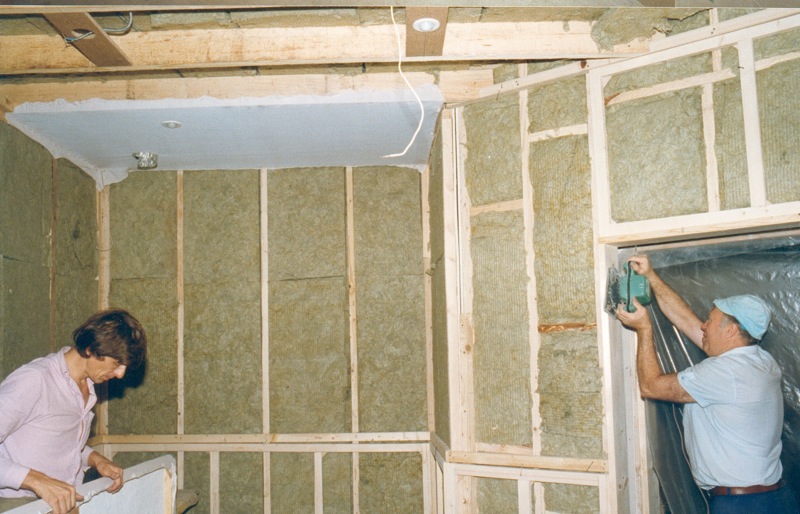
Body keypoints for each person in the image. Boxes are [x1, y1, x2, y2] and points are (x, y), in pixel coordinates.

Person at [615, 255, 798, 514]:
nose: (703, 325)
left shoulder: (726, 372)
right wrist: (651, 277)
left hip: (743, 506)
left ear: (731, 331)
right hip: (772, 498)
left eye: (710, 320)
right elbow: (686, 320)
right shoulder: (761, 361)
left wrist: (644, 329)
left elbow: (651, 386)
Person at [0, 309, 147, 514]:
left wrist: (97, 460)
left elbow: (60, 444)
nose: (120, 374)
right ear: (91, 349)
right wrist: (37, 480)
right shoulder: (34, 380)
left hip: (65, 503)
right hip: (19, 505)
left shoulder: (87, 387)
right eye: (117, 363)